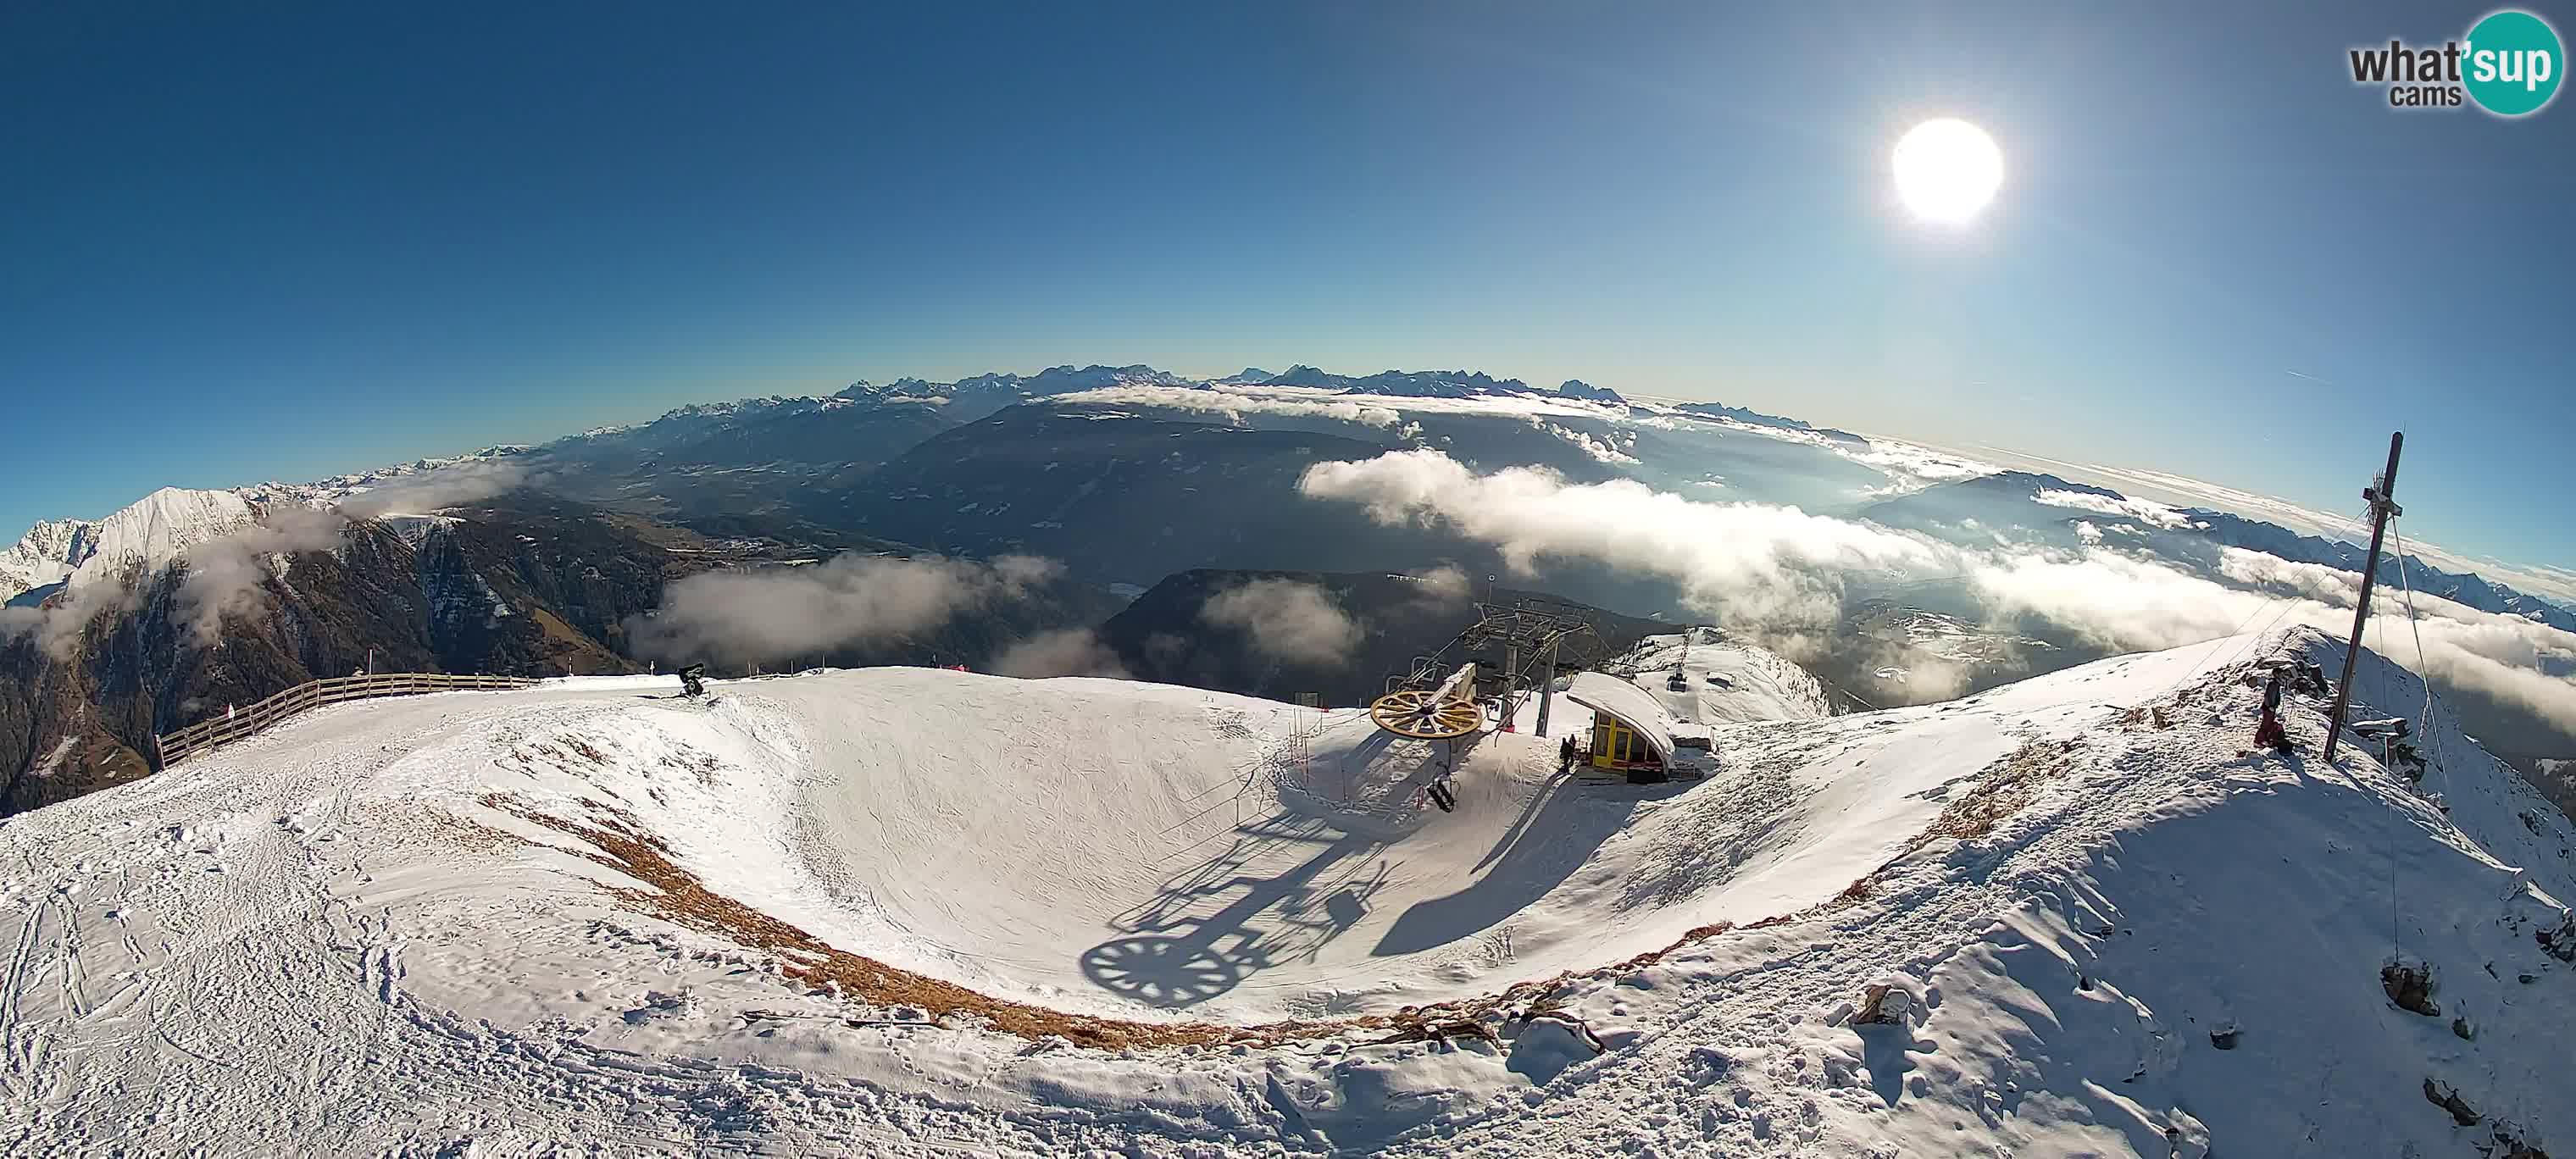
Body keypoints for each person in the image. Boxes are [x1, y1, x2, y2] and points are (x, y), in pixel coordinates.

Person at [2253, 667, 2290, 751]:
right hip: (2269, 708)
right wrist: (2270, 706)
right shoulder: (2273, 683)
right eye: (2281, 674)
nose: (2282, 675)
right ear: (2276, 674)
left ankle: (2264, 739)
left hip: (2271, 707)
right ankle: (2258, 741)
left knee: (2268, 724)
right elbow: (2267, 696)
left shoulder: (2276, 683)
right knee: (2265, 725)